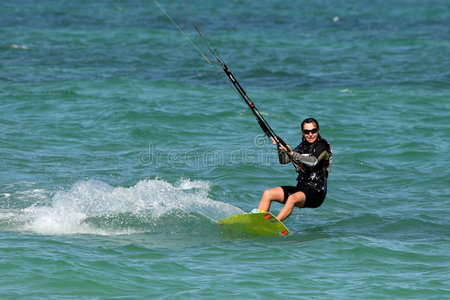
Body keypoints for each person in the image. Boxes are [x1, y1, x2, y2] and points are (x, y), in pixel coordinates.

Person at [255, 118, 332, 221]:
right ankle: (257, 220)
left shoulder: (323, 146)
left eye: (313, 131)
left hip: (316, 192)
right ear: (302, 132)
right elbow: (284, 161)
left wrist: (292, 153)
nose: (310, 134)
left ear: (318, 130)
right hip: (301, 188)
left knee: (292, 198)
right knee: (268, 193)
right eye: (306, 132)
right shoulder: (302, 146)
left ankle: (275, 223)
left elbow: (313, 161)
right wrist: (280, 148)